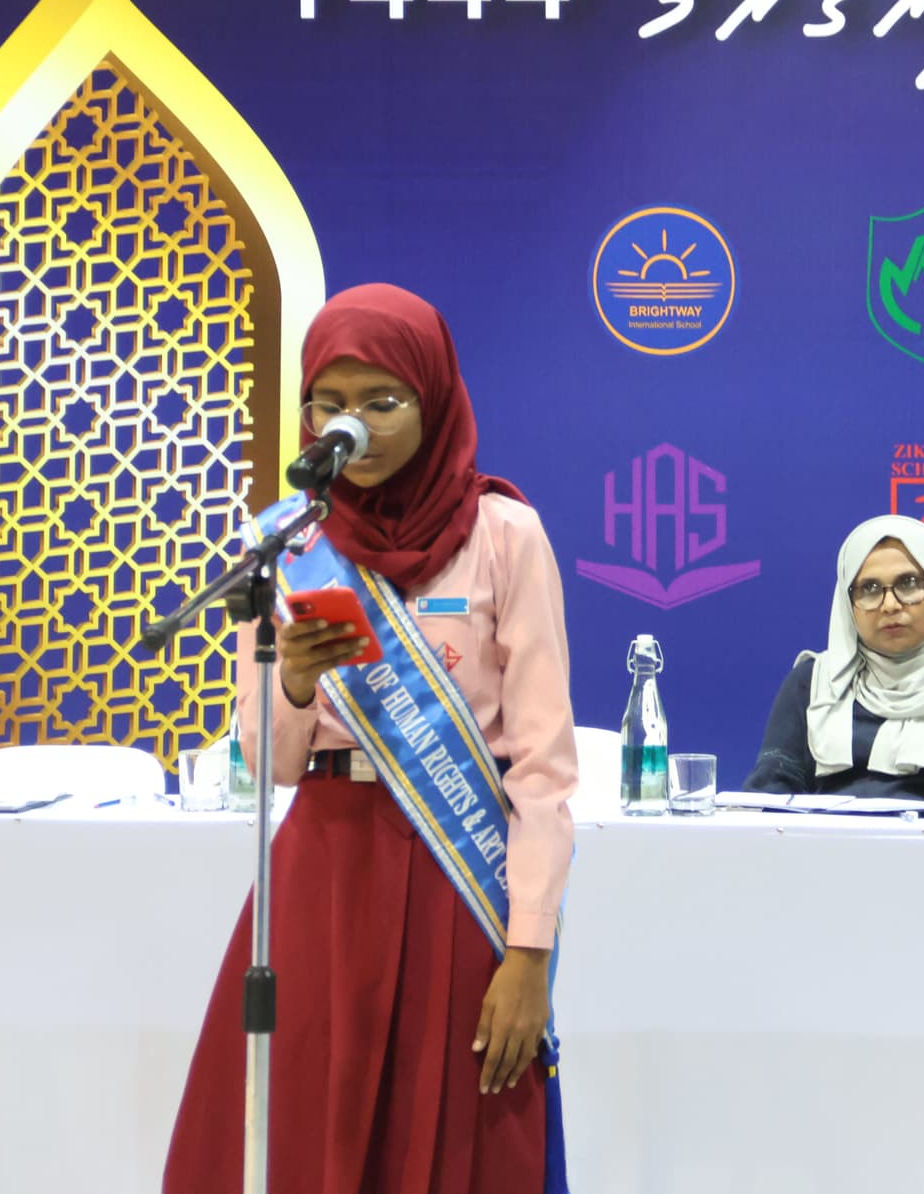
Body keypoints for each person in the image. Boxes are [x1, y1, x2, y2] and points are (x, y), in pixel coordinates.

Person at [164, 284, 579, 1194]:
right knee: (303, 1129)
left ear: (435, 401)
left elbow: (544, 770)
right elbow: (271, 764)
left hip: (456, 879)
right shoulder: (285, 543)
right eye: (330, 404)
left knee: (451, 1139)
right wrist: (295, 682)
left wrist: (529, 952)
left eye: (383, 402)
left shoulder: (505, 536)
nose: (353, 427)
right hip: (323, 874)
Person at [743, 514, 924, 798]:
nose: (889, 605)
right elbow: (769, 796)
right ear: (848, 602)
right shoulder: (813, 683)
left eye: (908, 583)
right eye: (869, 588)